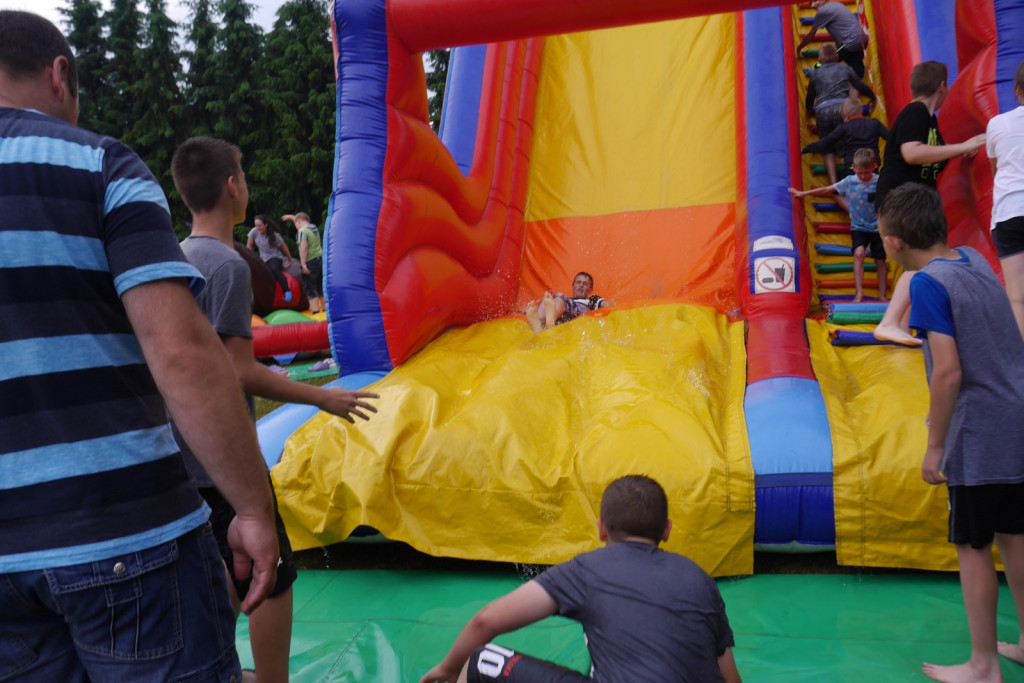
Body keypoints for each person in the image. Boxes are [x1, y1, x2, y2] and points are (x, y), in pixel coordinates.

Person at [0, 10, 279, 681]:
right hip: (125, 532)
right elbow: (182, 353)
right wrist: (250, 506)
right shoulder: (98, 164)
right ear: (60, 75)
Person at [172, 136, 381, 683]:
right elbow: (238, 369)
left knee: (212, 575)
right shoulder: (226, 265)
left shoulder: (176, 256)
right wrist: (323, 397)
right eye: (243, 173)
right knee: (273, 575)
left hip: (179, 454)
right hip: (223, 456)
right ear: (232, 186)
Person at [876, 183, 1024, 683]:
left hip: (979, 430)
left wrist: (936, 443)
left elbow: (948, 372)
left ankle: (983, 664)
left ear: (894, 241)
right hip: (1016, 413)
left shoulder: (926, 284)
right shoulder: (973, 259)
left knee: (974, 545)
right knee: (1016, 536)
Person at [420, 475, 741, 683]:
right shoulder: (700, 579)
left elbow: (486, 622)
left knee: (481, 659)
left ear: (601, 528)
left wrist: (448, 668)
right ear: (667, 530)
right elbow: (730, 677)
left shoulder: (589, 569)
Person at [872, 61, 986, 345]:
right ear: (942, 87)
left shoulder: (930, 121)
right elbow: (912, 153)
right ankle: (891, 322)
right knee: (925, 259)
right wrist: (965, 145)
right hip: (900, 198)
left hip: (911, 199)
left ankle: (900, 323)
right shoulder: (916, 113)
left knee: (924, 261)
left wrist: (961, 153)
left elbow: (933, 153)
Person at [790, 148, 887, 301]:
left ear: (874, 166)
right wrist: (803, 193)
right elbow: (827, 189)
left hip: (877, 227)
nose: (862, 176)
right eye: (859, 172)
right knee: (859, 253)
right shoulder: (849, 181)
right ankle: (859, 293)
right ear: (853, 168)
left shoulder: (880, 181)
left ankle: (882, 295)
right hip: (859, 227)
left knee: (880, 261)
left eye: (866, 173)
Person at [986, 60, 1024, 339]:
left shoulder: (998, 123)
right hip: (1010, 211)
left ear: (1018, 91)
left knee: (1018, 296)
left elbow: (995, 170)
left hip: (1010, 211)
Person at [805, 43, 876, 184]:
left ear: (819, 60)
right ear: (837, 56)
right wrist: (872, 96)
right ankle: (853, 173)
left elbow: (810, 96)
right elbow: (859, 85)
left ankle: (833, 182)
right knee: (849, 140)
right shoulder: (845, 68)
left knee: (828, 148)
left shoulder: (815, 73)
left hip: (823, 110)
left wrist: (808, 109)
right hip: (842, 109)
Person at [802, 96, 889, 171]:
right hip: (872, 164)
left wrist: (807, 149)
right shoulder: (875, 123)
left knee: (846, 177)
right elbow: (890, 137)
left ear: (846, 116)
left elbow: (826, 141)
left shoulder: (844, 127)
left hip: (853, 165)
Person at [796, 0, 868, 77]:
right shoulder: (837, 5)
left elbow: (811, 36)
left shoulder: (822, 11)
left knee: (828, 57)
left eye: (815, 1)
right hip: (862, 39)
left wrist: (799, 48)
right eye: (810, 3)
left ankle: (813, 70)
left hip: (849, 42)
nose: (813, 5)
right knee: (854, 65)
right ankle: (859, 70)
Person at [525, 271, 612, 333]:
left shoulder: (592, 300)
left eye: (585, 284)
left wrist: (612, 304)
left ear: (590, 290)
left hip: (579, 313)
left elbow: (607, 306)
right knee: (546, 300)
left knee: (559, 297)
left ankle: (548, 321)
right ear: (572, 286)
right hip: (563, 318)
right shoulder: (568, 300)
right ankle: (539, 325)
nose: (581, 285)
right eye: (578, 282)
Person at [282, 211, 324, 314]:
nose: (296, 227)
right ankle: (325, 309)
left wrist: (303, 263)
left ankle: (315, 311)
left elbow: (304, 247)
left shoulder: (302, 232)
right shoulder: (313, 228)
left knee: (309, 286)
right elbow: (299, 219)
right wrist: (292, 217)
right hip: (320, 260)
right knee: (319, 285)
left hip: (310, 261)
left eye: (296, 224)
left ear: (299, 222)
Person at [248, 214, 294, 303]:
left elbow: (284, 248)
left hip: (275, 257)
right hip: (262, 258)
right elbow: (249, 246)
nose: (258, 228)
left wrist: (289, 260)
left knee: (273, 269)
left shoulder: (274, 236)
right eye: (256, 225)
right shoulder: (254, 231)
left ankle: (287, 291)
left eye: (260, 226)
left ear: (266, 225)